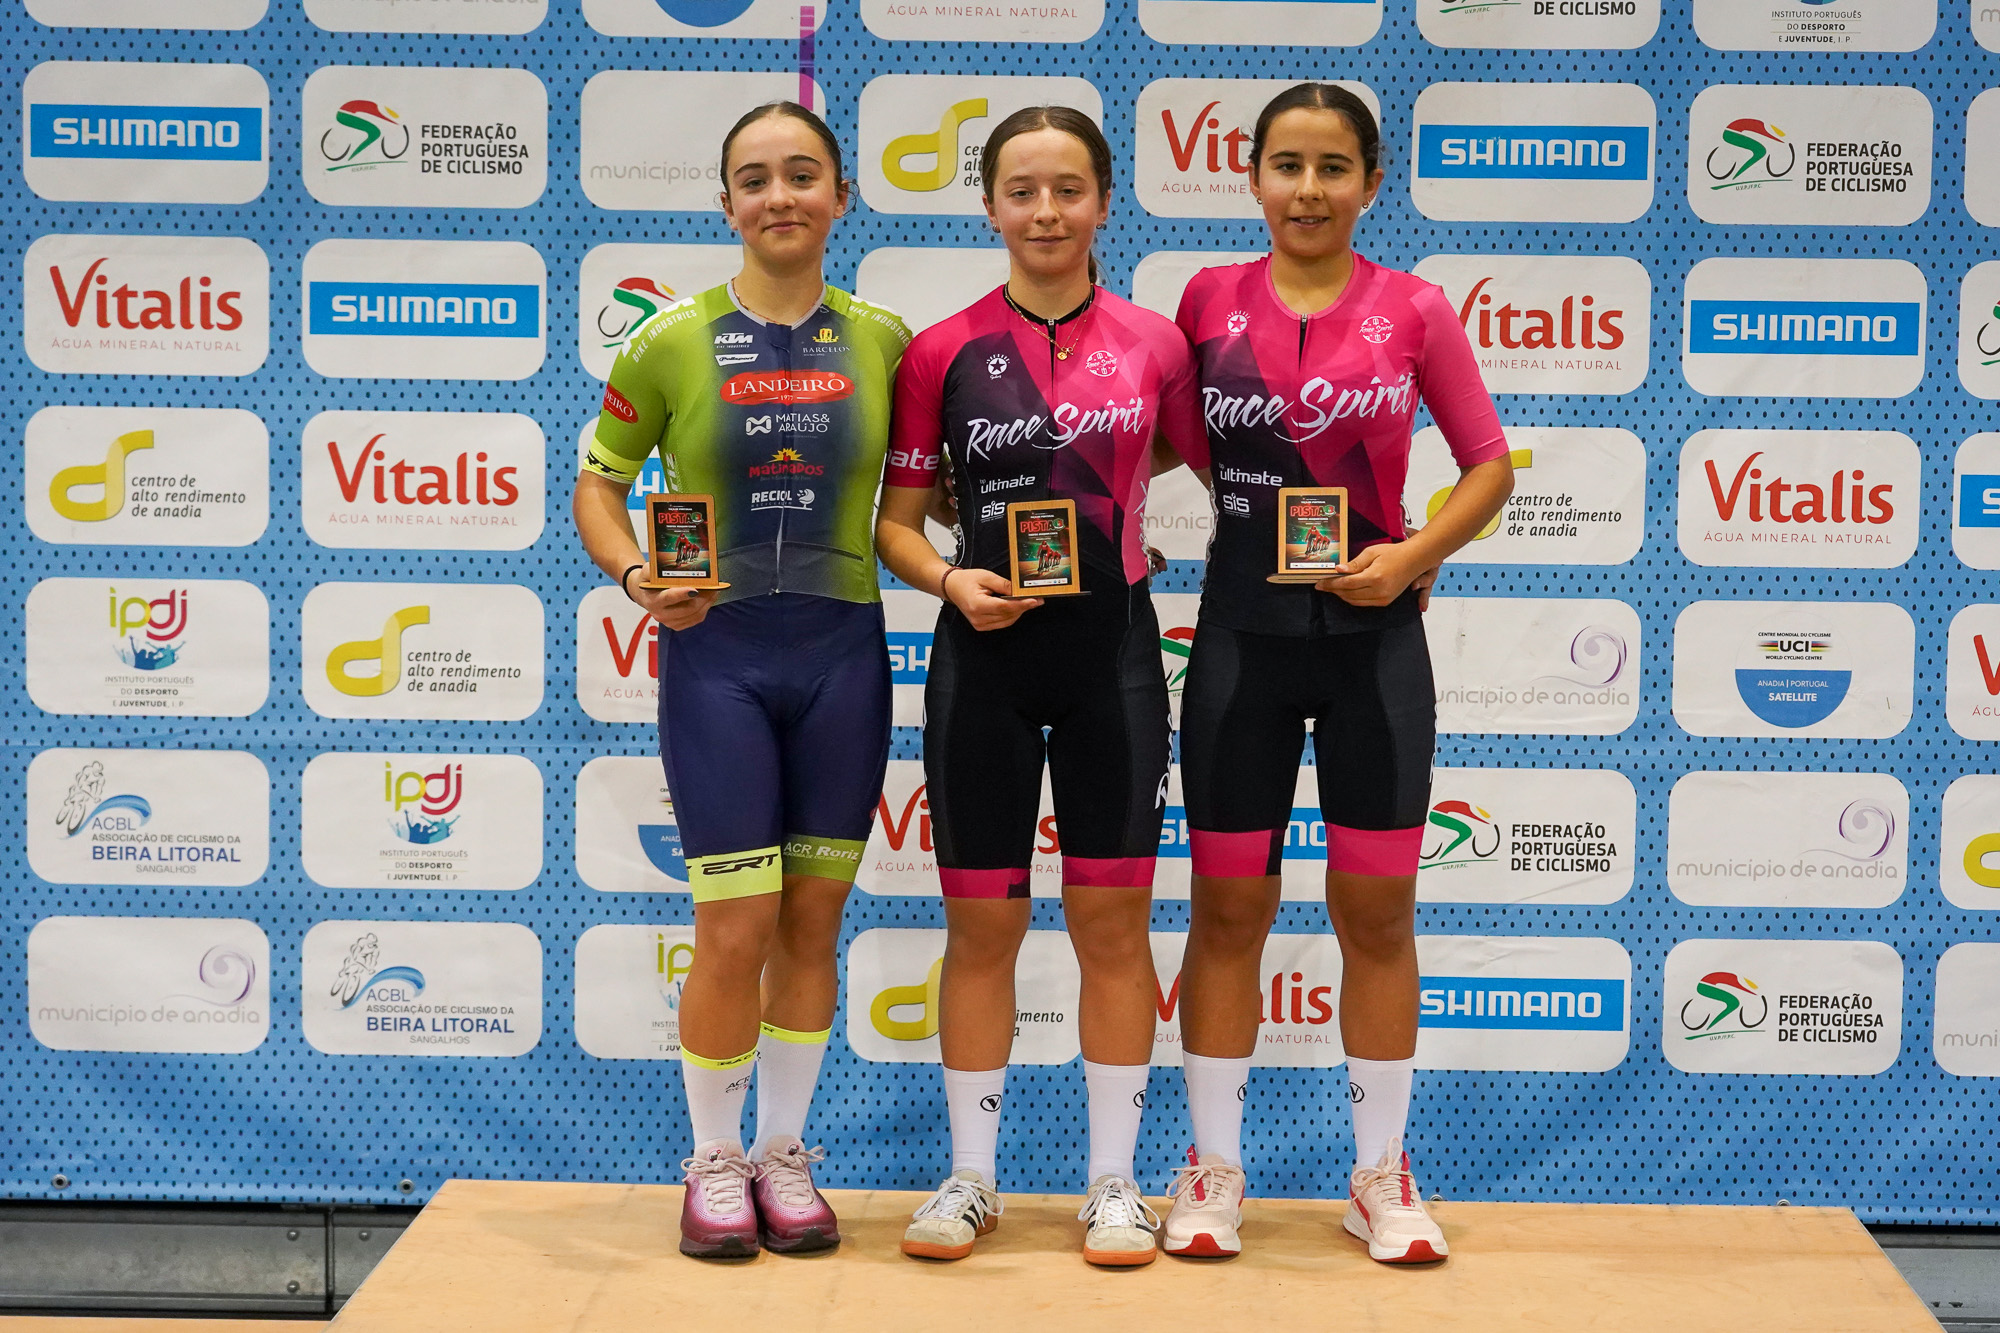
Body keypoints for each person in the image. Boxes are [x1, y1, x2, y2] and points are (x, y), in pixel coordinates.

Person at [1159, 83, 1514, 1264]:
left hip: (1373, 651)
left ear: (1371, 181)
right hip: (1234, 647)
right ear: (1249, 176)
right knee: (1226, 912)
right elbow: (1147, 432)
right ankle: (1211, 1170)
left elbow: (1486, 466)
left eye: (1332, 168)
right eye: (1285, 166)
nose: (1307, 190)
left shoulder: (1412, 308)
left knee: (1375, 912)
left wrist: (1413, 555)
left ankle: (1378, 1173)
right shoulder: (1205, 301)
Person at [571, 100, 910, 1259]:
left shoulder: (884, 338)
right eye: (755, 179)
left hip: (842, 656)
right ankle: (712, 1160)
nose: (780, 196)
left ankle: (780, 1155)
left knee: (812, 919)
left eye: (802, 175)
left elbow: (940, 495)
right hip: (715, 658)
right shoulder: (666, 340)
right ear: (725, 205)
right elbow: (598, 485)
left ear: (839, 199)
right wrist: (631, 576)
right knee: (733, 922)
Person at [874, 105, 1204, 1267]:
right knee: (981, 928)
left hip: (1111, 659)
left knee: (1111, 926)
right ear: (989, 208)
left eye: (1067, 190)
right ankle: (969, 1179)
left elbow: (1236, 472)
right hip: (983, 664)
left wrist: (1395, 550)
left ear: (1104, 202)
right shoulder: (940, 350)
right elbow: (897, 527)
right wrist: (953, 582)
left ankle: (1113, 1183)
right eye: (1021, 191)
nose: (1045, 212)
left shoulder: (1158, 345)